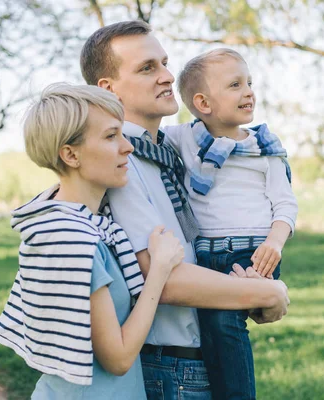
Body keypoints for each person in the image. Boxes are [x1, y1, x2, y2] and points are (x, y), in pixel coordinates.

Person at [80, 20, 291, 400]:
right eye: (147, 68)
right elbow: (165, 280)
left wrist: (251, 290)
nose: (166, 76)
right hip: (172, 367)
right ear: (108, 89)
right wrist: (264, 294)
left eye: (164, 63)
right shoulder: (122, 161)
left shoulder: (170, 151)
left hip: (200, 356)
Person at [0, 83, 185, 399]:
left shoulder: (65, 223)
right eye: (111, 136)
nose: (128, 147)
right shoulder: (73, 240)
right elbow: (118, 358)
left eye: (122, 134)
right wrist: (159, 269)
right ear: (70, 154)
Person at [160, 48, 298, 399]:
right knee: (210, 327)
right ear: (203, 103)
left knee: (224, 322)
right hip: (206, 257)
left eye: (249, 82)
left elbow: (285, 204)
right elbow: (139, 135)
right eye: (235, 85)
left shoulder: (265, 147)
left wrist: (275, 244)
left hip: (255, 254)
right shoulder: (185, 138)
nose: (249, 91)